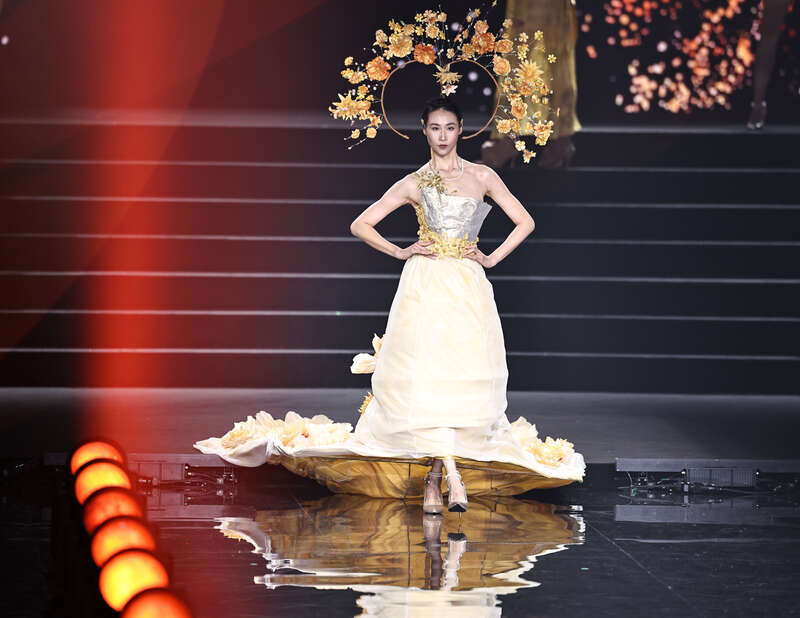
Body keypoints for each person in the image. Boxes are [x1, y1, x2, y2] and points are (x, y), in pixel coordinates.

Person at [348, 96, 540, 513]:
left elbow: (525, 221)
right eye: (435, 128)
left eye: (449, 127)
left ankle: (436, 479)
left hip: (467, 284)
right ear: (424, 131)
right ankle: (450, 478)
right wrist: (400, 251)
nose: (442, 136)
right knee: (431, 376)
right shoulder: (414, 182)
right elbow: (360, 224)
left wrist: (491, 258)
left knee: (457, 376)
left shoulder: (483, 175)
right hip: (426, 284)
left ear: (461, 130)